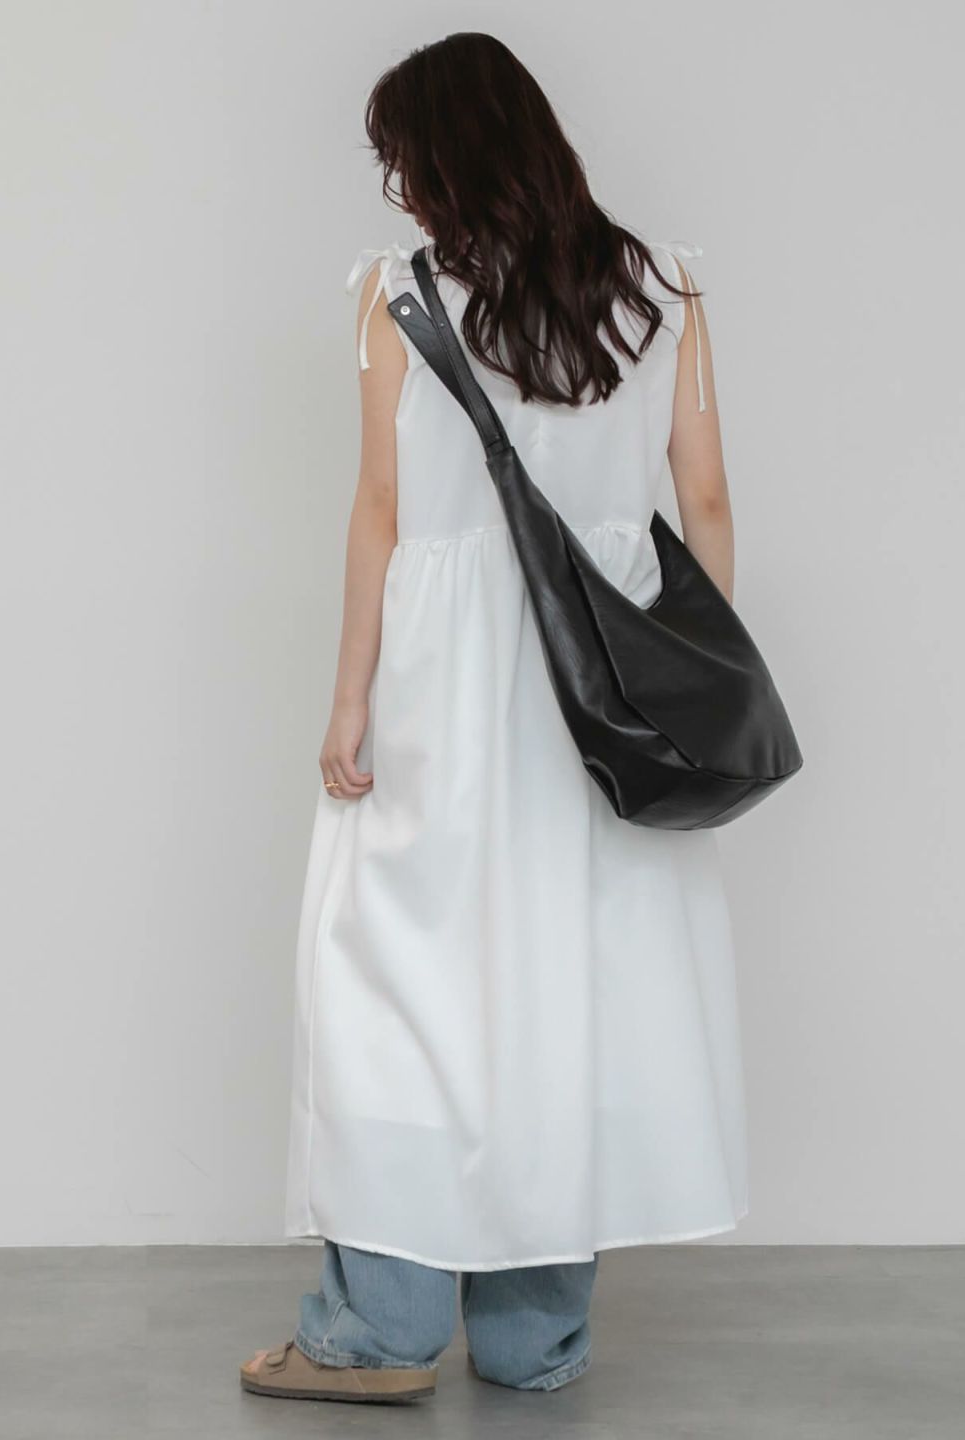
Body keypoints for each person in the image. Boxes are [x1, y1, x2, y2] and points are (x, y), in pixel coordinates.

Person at [241, 31, 746, 1405]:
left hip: (443, 683)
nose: (395, 185)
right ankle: (534, 1338)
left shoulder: (399, 295)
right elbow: (704, 500)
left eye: (400, 156)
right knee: (561, 992)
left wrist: (349, 697)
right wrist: (688, 680)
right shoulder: (665, 288)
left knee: (395, 991)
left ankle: (380, 1328)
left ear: (446, 157)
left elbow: (384, 509)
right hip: (605, 694)